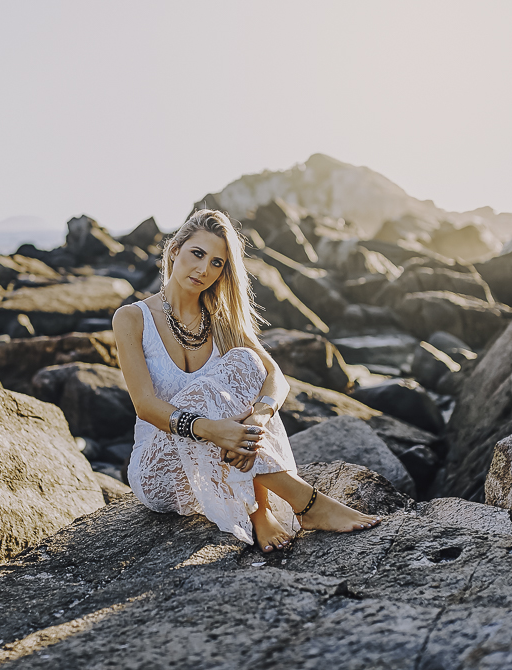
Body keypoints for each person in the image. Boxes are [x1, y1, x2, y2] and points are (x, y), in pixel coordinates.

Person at [113, 209, 381, 552]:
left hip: (217, 468)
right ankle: (306, 503)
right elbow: (145, 406)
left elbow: (275, 376)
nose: (204, 269)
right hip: (162, 472)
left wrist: (257, 420)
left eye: (217, 263)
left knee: (245, 360)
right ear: (175, 250)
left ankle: (260, 509)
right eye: (197, 254)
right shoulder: (132, 318)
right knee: (206, 392)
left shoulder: (220, 319)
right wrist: (213, 430)